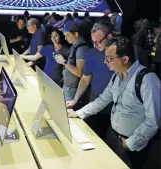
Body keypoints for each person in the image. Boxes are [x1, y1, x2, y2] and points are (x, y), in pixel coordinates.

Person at [67, 36, 160, 169]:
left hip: (132, 145)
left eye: (109, 59)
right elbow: (102, 100)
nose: (105, 62)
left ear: (125, 59)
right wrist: (79, 113)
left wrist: (130, 143)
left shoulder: (147, 80)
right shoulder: (117, 75)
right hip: (113, 136)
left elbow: (154, 120)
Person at [66, 22, 114, 139]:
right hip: (94, 103)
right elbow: (86, 77)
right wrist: (75, 99)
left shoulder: (118, 56)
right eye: (93, 42)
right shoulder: (91, 53)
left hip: (114, 109)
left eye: (98, 42)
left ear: (109, 37)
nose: (95, 45)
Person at [55, 21, 90, 101]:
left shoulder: (81, 48)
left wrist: (64, 62)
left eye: (67, 35)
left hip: (72, 90)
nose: (65, 38)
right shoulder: (75, 45)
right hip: (68, 87)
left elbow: (79, 73)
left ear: (76, 34)